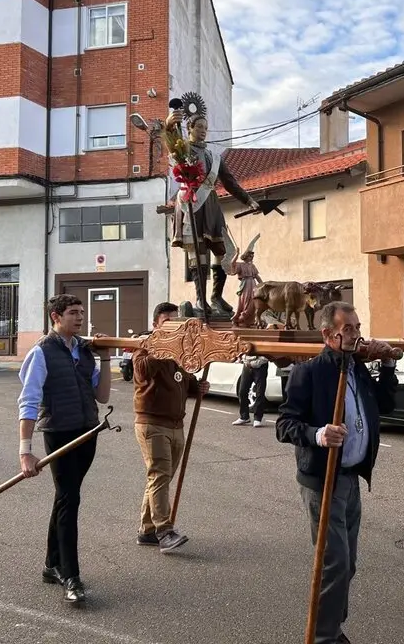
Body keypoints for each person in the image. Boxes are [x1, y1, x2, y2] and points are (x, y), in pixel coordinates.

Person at [275, 302, 398, 644]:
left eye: (358, 327)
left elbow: (383, 406)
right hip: (321, 479)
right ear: (328, 334)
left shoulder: (356, 368)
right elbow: (285, 424)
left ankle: (332, 625)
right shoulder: (310, 372)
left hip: (351, 476)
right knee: (334, 563)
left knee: (349, 563)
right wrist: (319, 434)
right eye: (349, 329)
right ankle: (322, 636)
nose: (357, 335)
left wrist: (387, 364)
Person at [17, 294, 112, 604]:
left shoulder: (84, 351)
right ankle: (70, 575)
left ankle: (51, 565)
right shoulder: (41, 352)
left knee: (65, 496)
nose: (80, 317)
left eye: (81, 312)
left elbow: (101, 395)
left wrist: (106, 358)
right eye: (73, 312)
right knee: (70, 499)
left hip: (88, 432)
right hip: (60, 434)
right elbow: (28, 402)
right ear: (56, 317)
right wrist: (25, 451)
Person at [160, 92, 259, 318]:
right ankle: (200, 299)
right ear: (190, 128)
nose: (203, 130)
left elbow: (230, 181)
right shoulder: (183, 148)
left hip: (211, 205)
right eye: (199, 126)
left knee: (224, 252)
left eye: (206, 126)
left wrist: (248, 199)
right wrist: (169, 124)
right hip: (193, 205)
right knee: (199, 254)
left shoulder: (214, 156)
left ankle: (215, 296)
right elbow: (170, 137)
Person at [132, 302, 210, 553]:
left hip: (176, 424)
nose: (173, 327)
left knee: (160, 477)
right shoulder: (145, 346)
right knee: (160, 475)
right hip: (152, 423)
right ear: (156, 324)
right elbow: (142, 371)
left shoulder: (179, 353)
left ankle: (147, 530)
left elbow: (185, 382)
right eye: (167, 322)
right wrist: (163, 343)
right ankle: (164, 531)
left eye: (176, 322)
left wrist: (198, 387)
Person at [233, 354, 269, 427]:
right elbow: (243, 351)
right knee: (242, 391)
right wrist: (245, 361)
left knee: (260, 392)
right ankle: (244, 416)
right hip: (247, 365)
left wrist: (253, 363)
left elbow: (266, 356)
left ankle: (257, 418)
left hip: (260, 366)